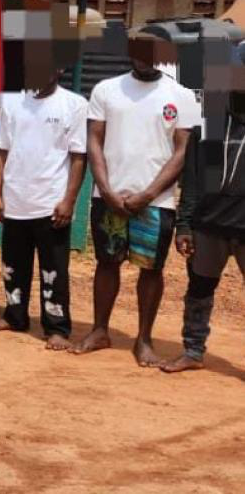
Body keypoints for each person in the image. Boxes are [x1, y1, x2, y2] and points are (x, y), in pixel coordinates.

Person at [73, 41, 196, 367]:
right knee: (106, 263)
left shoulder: (182, 95)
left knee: (151, 270)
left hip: (157, 202)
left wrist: (149, 194)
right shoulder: (106, 89)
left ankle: (144, 339)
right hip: (109, 198)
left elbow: (182, 150)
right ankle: (100, 330)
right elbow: (94, 140)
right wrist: (105, 189)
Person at [0, 70, 87, 348]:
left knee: (54, 270)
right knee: (12, 266)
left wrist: (69, 200)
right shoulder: (11, 101)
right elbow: (2, 151)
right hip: (15, 201)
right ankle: (14, 317)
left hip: (51, 203)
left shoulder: (74, 104)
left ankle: (57, 328)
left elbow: (79, 157)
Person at [162, 81, 245, 374]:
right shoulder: (209, 123)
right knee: (199, 289)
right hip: (208, 225)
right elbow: (193, 179)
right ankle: (193, 351)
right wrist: (184, 225)